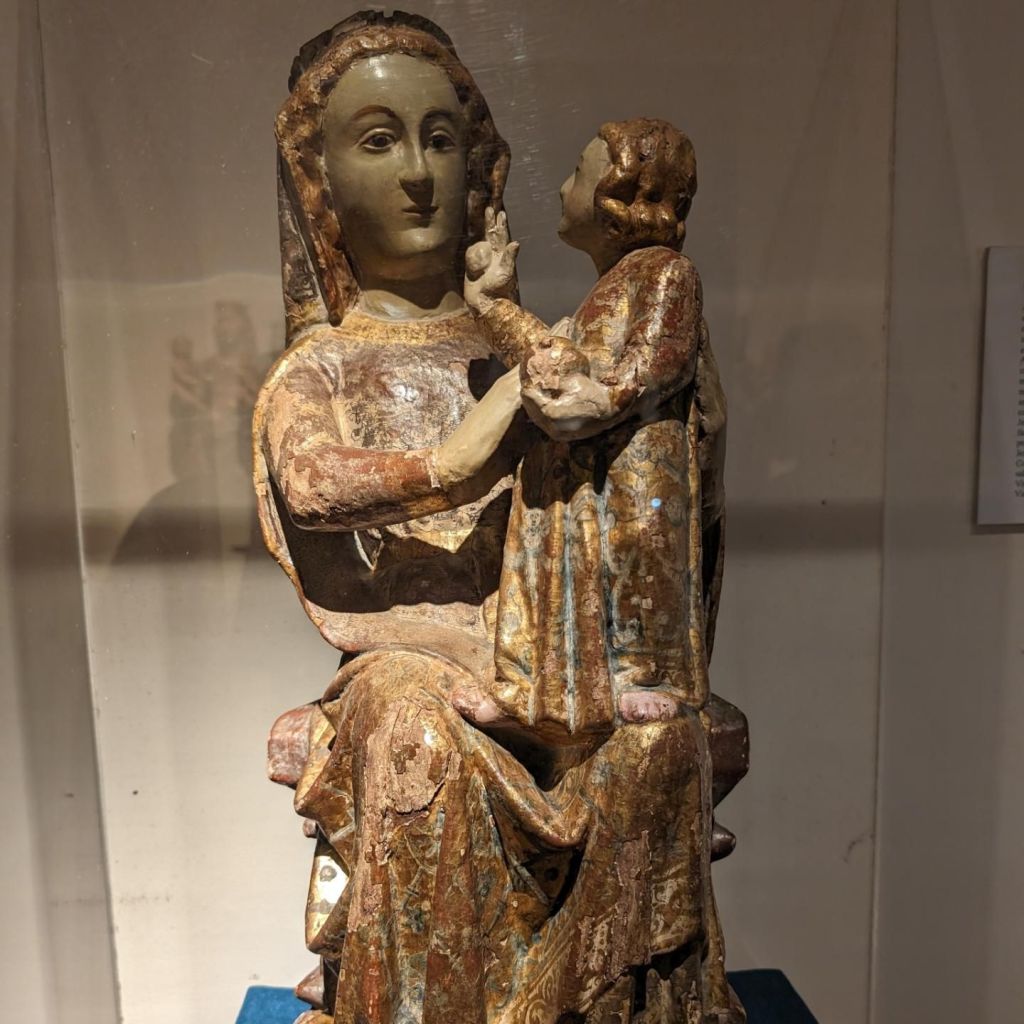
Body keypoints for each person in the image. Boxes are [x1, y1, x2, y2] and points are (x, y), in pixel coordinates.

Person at [254, 12, 743, 1023]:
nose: (418, 174)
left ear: (479, 165)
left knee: (662, 741)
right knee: (416, 730)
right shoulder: (323, 367)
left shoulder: (535, 346)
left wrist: (680, 416)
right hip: (410, 658)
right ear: (320, 184)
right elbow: (313, 484)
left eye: (440, 139)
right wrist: (458, 453)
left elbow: (640, 483)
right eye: (379, 141)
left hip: (554, 650)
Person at [459, 120, 729, 749]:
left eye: (578, 174)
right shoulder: (607, 290)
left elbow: (658, 358)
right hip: (584, 469)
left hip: (636, 461)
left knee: (639, 557)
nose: (562, 189)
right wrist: (493, 305)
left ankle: (647, 673)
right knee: (554, 565)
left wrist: (605, 397)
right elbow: (555, 362)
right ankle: (534, 686)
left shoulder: (666, 272)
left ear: (621, 197)